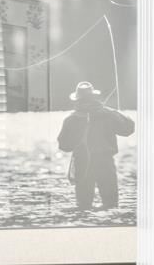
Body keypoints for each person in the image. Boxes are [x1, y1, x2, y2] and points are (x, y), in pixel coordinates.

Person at [55, 81, 132, 214]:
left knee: (83, 207)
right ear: (94, 97)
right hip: (104, 162)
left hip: (82, 163)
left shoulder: (71, 119)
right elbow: (128, 129)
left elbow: (64, 145)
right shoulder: (108, 114)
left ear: (77, 100)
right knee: (111, 206)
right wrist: (115, 113)